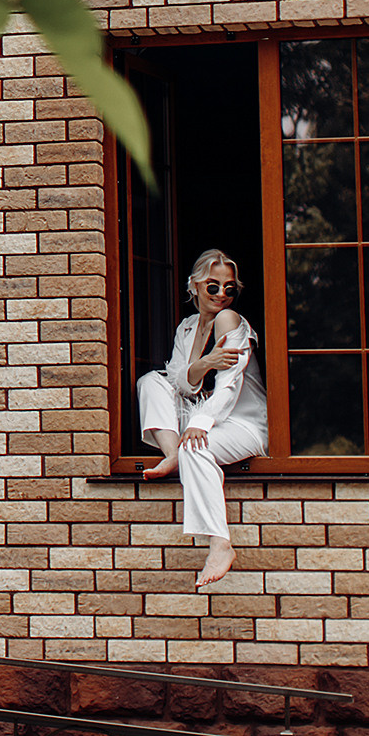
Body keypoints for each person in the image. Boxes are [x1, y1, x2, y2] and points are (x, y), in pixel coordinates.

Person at [134, 248, 267, 587]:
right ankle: (171, 454)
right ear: (193, 286)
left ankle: (220, 544)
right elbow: (181, 382)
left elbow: (230, 386)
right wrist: (205, 363)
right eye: (213, 286)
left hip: (242, 422)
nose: (222, 295)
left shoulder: (231, 321)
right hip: (204, 414)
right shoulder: (188, 327)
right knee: (150, 381)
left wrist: (198, 424)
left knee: (196, 447)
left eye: (229, 288)